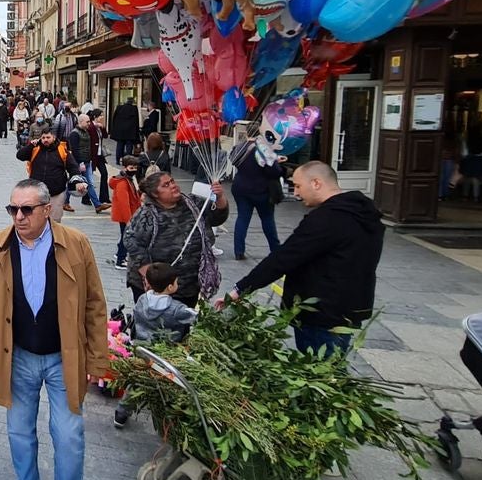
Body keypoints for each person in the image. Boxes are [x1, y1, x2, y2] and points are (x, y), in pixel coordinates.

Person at [0, 179, 108, 480]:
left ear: (47, 210)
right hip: (17, 358)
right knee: (19, 431)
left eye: (26, 210)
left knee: (68, 437)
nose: (18, 217)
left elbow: (95, 304)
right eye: (13, 209)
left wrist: (97, 358)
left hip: (64, 358)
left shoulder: (76, 244)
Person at [227, 163, 385, 358]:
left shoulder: (326, 219)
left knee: (320, 370)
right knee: (332, 367)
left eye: (298, 186)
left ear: (316, 183)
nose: (296, 193)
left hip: (322, 313)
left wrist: (240, 288)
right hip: (350, 308)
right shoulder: (365, 213)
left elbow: (284, 257)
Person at [124, 172, 228, 308]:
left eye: (172, 181)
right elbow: (132, 242)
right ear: (155, 194)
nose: (173, 186)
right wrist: (150, 276)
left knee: (183, 322)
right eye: (166, 185)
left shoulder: (193, 203)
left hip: (188, 283)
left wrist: (219, 197)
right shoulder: (146, 214)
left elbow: (217, 218)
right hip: (157, 285)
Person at [112, 263, 194, 429]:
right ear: (170, 287)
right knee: (167, 386)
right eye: (176, 282)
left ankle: (121, 414)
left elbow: (135, 320)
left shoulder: (142, 300)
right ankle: (168, 421)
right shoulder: (176, 309)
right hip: (164, 355)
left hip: (141, 350)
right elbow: (196, 318)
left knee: (136, 383)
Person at [231, 144, 285, 262]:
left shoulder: (240, 147)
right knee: (267, 219)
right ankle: (275, 249)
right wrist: (277, 161)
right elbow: (274, 171)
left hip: (241, 187)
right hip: (261, 189)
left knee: (242, 218)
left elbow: (233, 161)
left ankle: (239, 250)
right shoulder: (264, 149)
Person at [17, 129, 85, 220]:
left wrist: (77, 181)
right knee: (36, 220)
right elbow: (20, 156)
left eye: (48, 137)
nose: (45, 140)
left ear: (54, 137)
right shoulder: (35, 149)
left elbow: (73, 167)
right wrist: (30, 145)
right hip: (36, 192)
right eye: (43, 138)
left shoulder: (62, 150)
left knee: (54, 221)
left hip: (56, 193)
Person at [65, 114, 111, 214]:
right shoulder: (74, 133)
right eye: (87, 122)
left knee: (89, 183)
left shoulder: (86, 131)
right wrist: (79, 163)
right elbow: (75, 150)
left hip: (87, 161)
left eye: (89, 122)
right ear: (81, 122)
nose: (89, 124)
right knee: (74, 182)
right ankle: (65, 201)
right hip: (79, 163)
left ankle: (97, 205)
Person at [108, 155, 144, 270]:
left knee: (125, 235)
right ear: (125, 167)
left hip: (127, 214)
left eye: (135, 167)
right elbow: (124, 203)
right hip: (126, 215)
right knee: (126, 236)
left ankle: (120, 254)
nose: (134, 170)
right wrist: (129, 219)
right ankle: (120, 260)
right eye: (131, 167)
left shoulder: (126, 180)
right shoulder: (123, 182)